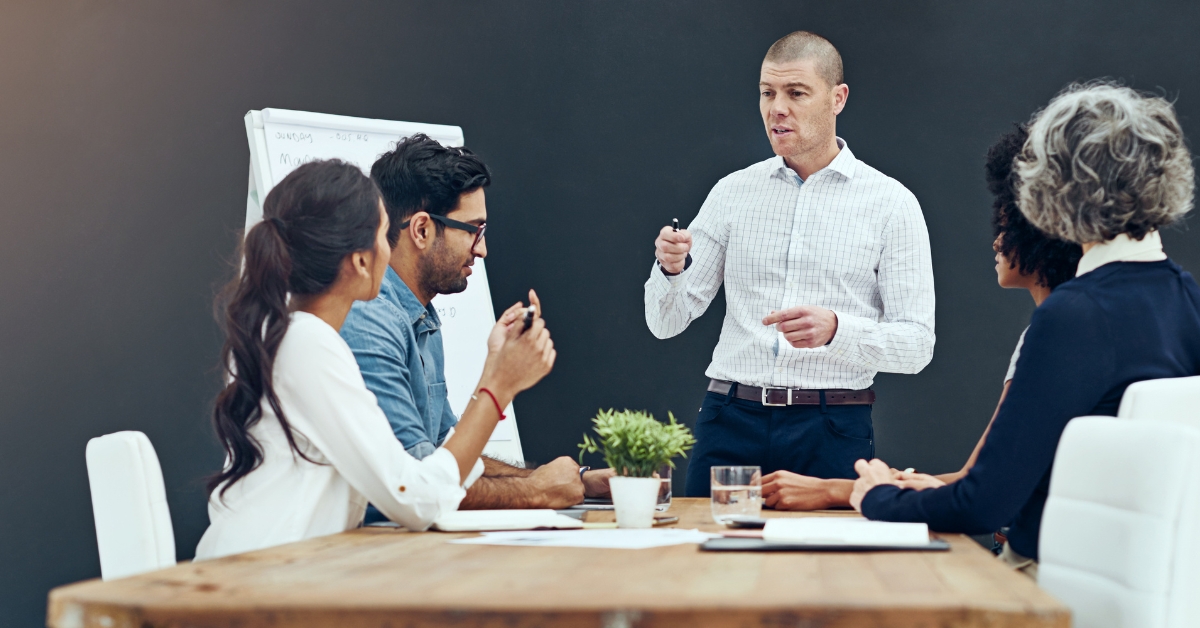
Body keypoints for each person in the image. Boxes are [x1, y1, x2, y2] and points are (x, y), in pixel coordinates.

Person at [850, 82, 1200, 578]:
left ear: (1052, 190)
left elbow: (984, 504)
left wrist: (879, 498)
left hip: (1048, 577)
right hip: (1152, 583)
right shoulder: (1187, 299)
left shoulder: (1073, 313)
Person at [196, 159, 555, 559]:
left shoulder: (294, 336)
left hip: (269, 572)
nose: (391, 249)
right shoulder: (310, 345)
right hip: (258, 588)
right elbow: (416, 500)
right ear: (361, 260)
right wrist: (499, 384)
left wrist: (496, 371)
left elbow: (423, 469)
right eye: (385, 234)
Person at [644, 31, 936, 496]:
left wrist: (838, 330)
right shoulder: (732, 192)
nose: (776, 108)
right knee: (705, 564)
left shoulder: (892, 204)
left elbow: (917, 347)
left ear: (837, 98)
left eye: (796, 93)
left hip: (833, 426)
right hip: (729, 419)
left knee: (823, 568)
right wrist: (671, 269)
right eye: (767, 92)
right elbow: (666, 322)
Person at [760, 125, 1082, 510]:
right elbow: (976, 477)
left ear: (1045, 232)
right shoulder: (1066, 326)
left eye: (1009, 225)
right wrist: (877, 483)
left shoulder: (1052, 332)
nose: (997, 240)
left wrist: (837, 490)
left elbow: (980, 490)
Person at [340, 134, 611, 515]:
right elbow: (420, 483)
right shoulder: (369, 318)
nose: (482, 249)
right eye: (474, 230)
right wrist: (536, 491)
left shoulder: (421, 317)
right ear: (421, 230)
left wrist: (573, 483)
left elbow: (446, 457)